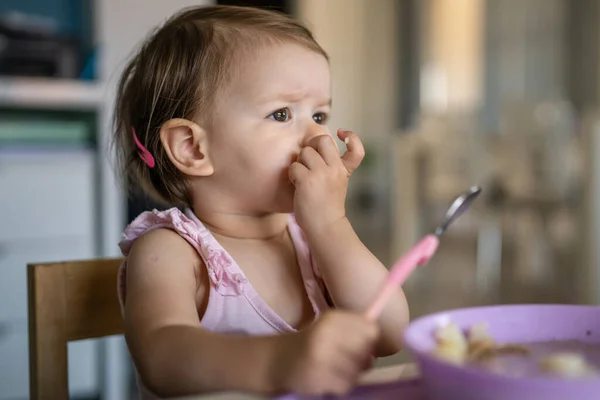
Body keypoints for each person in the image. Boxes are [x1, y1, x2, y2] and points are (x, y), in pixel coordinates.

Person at [112, 5, 409, 399]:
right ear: (192, 149)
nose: (317, 139)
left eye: (320, 115)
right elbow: (161, 357)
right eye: (282, 113)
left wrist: (330, 224)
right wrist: (278, 361)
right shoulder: (170, 251)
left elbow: (390, 333)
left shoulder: (312, 240)